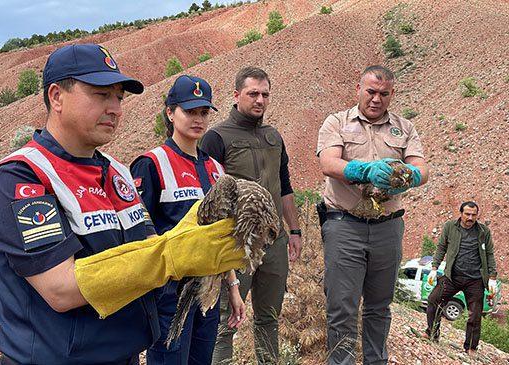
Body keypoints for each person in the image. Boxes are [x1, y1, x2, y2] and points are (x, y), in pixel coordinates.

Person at [0, 43, 243, 365]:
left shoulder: (116, 172)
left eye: (119, 97)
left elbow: (143, 247)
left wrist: (186, 246)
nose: (115, 108)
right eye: (101, 94)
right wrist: (170, 255)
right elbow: (61, 289)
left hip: (125, 353)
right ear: (56, 96)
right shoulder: (23, 176)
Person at [316, 65, 429, 365]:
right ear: (358, 89)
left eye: (383, 93)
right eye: (371, 91)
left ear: (392, 94)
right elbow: (328, 163)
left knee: (380, 308)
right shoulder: (337, 122)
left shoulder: (404, 128)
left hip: (387, 229)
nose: (376, 99)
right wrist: (363, 170)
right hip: (345, 225)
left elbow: (422, 169)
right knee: (342, 308)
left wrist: (407, 175)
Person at [130, 74, 246, 365]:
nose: (198, 119)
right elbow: (139, 234)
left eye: (204, 112)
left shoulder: (216, 169)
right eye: (189, 111)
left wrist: (232, 287)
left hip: (208, 290)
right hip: (169, 292)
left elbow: (220, 235)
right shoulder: (151, 163)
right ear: (170, 112)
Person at [200, 66, 302, 364]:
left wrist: (294, 231)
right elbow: (210, 198)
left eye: (265, 94)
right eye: (253, 93)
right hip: (236, 244)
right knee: (225, 322)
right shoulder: (216, 137)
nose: (260, 100)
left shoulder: (274, 136)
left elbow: (285, 186)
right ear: (236, 95)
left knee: (269, 318)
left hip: (275, 242)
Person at [424, 201, 497, 356]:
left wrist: (492, 278)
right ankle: (432, 333)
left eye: (473, 215)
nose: (470, 217)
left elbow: (489, 254)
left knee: (475, 315)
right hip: (452, 276)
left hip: (475, 280)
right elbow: (441, 247)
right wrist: (434, 268)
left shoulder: (483, 231)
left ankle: (470, 347)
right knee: (433, 300)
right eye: (467, 214)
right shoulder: (450, 227)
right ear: (461, 213)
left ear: (477, 215)